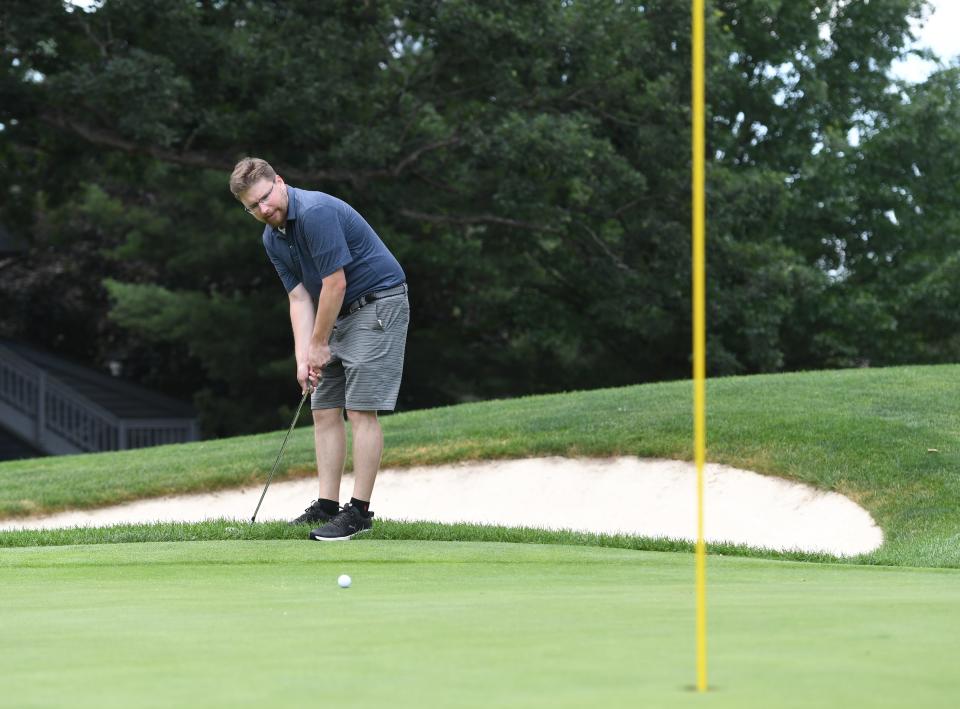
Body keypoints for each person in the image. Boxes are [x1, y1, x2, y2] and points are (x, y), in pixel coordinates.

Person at [229, 157, 409, 541]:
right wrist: (303, 357)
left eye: (265, 198)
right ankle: (327, 506)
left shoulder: (315, 212)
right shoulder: (271, 238)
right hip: (338, 312)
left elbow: (335, 283)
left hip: (377, 303)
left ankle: (358, 513)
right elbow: (298, 299)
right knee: (324, 408)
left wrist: (318, 344)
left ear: (279, 181)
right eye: (252, 207)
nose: (263, 210)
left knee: (361, 409)